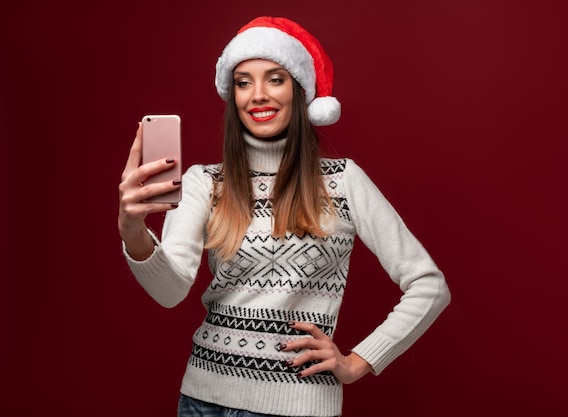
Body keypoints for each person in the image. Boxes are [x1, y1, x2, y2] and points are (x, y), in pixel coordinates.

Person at [118, 16, 451, 417]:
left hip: (298, 406)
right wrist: (132, 229)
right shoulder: (204, 183)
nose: (257, 95)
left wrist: (358, 362)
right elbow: (170, 293)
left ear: (299, 90)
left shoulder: (342, 181)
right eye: (243, 82)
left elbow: (428, 285)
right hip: (202, 402)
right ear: (232, 95)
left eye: (274, 79)